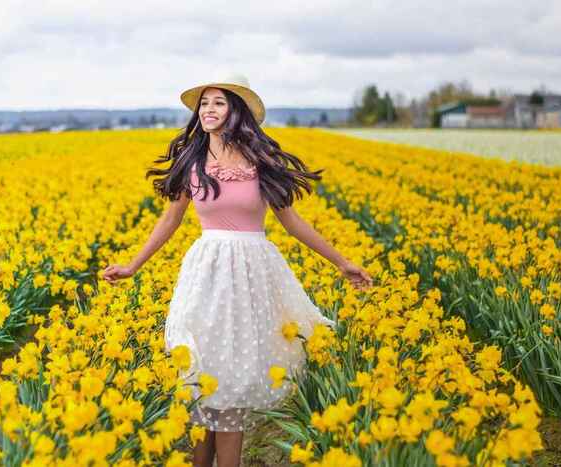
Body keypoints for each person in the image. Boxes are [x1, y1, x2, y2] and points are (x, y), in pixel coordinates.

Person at [102, 72, 373, 467]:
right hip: (206, 276)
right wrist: (133, 265)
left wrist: (342, 262)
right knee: (202, 378)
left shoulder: (259, 163)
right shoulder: (191, 161)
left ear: (236, 111)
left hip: (250, 277)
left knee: (232, 379)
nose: (209, 110)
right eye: (205, 103)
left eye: (219, 102)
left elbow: (292, 223)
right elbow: (169, 221)